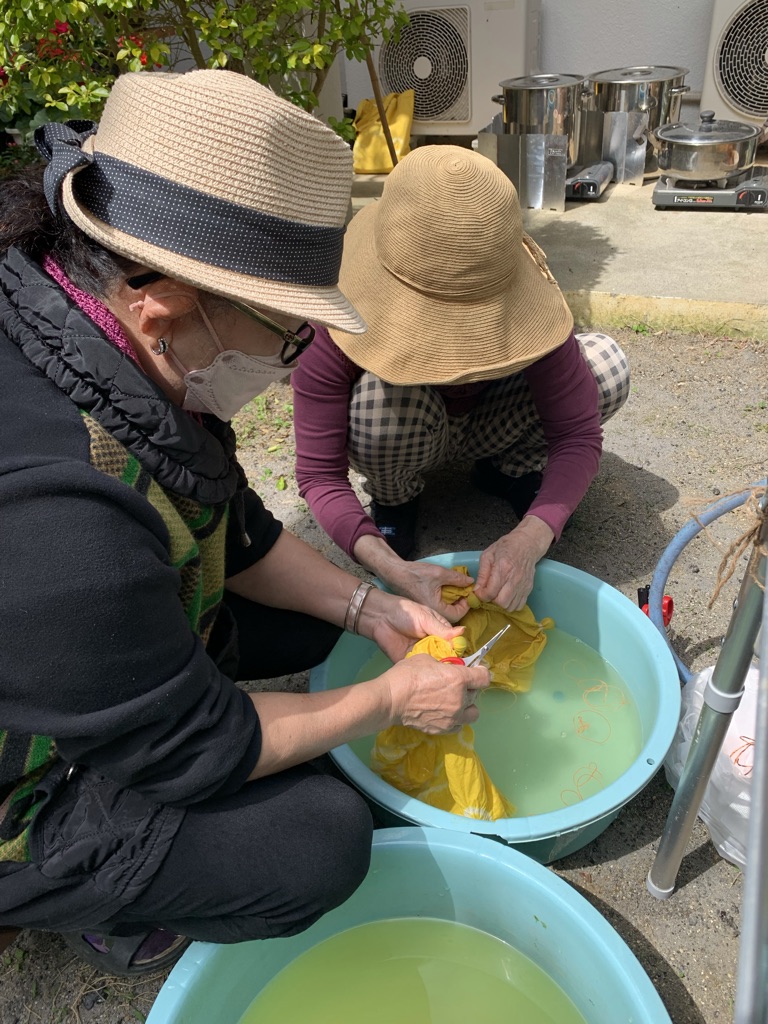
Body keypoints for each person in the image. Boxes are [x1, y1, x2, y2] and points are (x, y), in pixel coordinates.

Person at [0, 71, 489, 976]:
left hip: (88, 658)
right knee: (318, 840)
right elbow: (194, 748)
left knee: (316, 627)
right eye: (289, 330)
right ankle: (92, 896)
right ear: (163, 303)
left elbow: (237, 527)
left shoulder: (101, 336)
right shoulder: (55, 512)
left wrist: (372, 608)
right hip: (28, 775)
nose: (296, 356)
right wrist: (392, 700)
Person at [292, 145, 630, 622]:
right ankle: (395, 497)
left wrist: (532, 536)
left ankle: (508, 470)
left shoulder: (532, 310)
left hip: (493, 421)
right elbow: (319, 474)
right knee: (375, 404)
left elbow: (576, 433)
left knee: (606, 367)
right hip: (408, 426)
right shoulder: (335, 323)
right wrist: (391, 568)